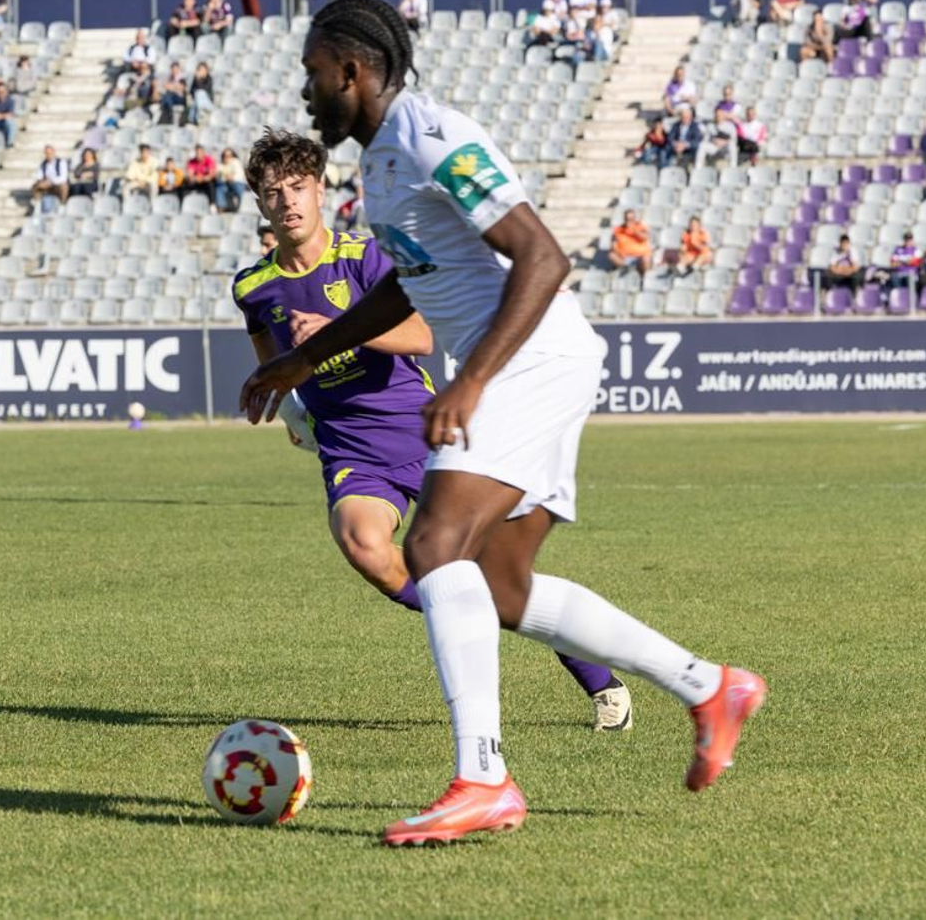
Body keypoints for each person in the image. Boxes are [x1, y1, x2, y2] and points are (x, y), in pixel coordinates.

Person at [240, 0, 764, 845]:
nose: (307, 94)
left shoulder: (431, 133)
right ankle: (711, 685)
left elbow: (542, 255)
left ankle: (483, 777)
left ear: (351, 69)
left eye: (312, 75)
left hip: (530, 357)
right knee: (504, 587)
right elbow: (409, 283)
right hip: (518, 362)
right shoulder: (379, 164)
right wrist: (302, 358)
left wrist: (473, 379)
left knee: (431, 545)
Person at [235, 128, 632, 739]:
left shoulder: (365, 258)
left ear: (319, 190)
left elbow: (420, 337)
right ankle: (462, 612)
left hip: (421, 428)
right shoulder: (252, 287)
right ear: (259, 204)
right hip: (349, 446)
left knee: (500, 570)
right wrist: (289, 408)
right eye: (272, 191)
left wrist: (339, 330)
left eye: (297, 187)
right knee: (365, 546)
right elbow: (275, 366)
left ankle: (599, 680)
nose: (287, 201)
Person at [608, 208, 653, 273]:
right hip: (626, 256)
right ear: (624, 219)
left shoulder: (640, 226)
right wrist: (619, 252)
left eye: (631, 219)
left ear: (634, 218)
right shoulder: (618, 229)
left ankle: (645, 278)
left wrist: (634, 230)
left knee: (646, 258)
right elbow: (613, 244)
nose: (629, 221)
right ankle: (625, 268)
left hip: (640, 256)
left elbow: (646, 237)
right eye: (627, 219)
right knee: (611, 255)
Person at [216, 147, 248, 213]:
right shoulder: (220, 165)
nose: (227, 157)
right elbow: (219, 177)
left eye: (229, 156)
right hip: (225, 184)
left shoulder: (236, 162)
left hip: (237, 183)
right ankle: (221, 207)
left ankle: (241, 207)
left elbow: (239, 176)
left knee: (238, 188)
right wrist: (227, 177)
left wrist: (230, 177)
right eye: (225, 156)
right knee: (220, 188)